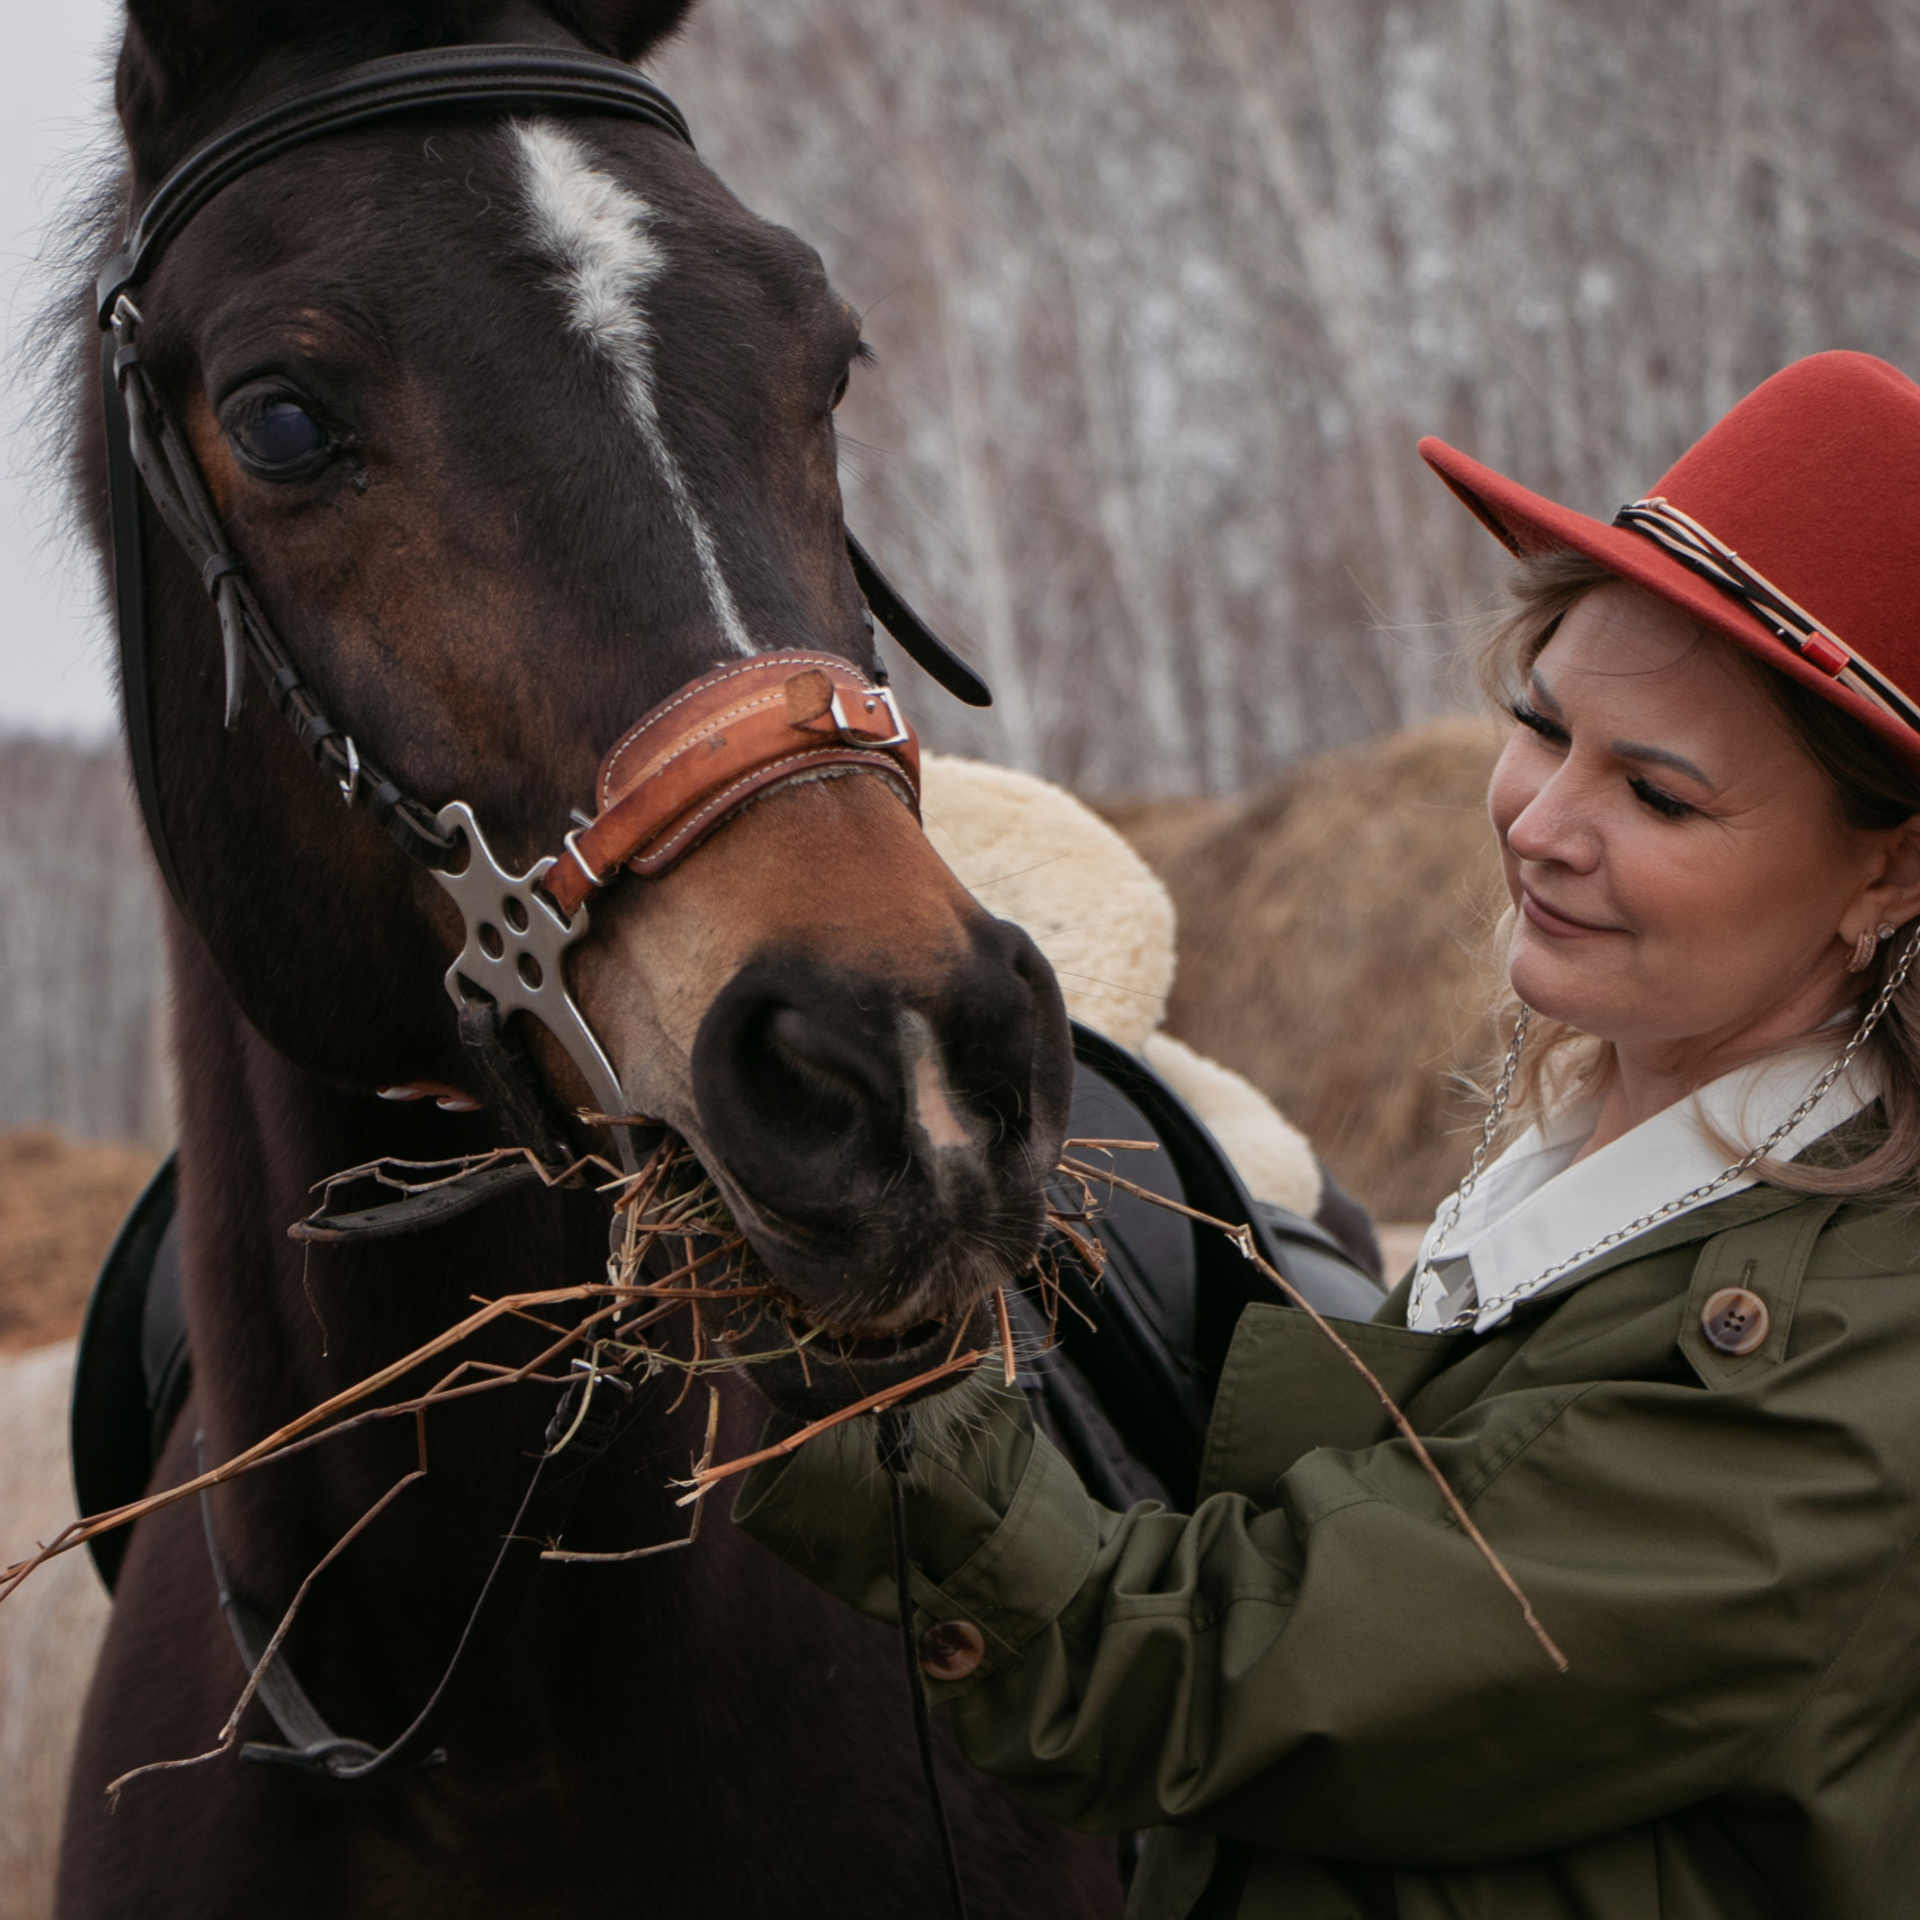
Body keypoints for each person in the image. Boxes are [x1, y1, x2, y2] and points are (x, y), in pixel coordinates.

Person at [733, 351, 1920, 1919]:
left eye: (1660, 796)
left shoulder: (1832, 1375)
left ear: (1888, 877)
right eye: (1541, 724)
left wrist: (867, 1347)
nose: (1542, 823)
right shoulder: (1601, 1174)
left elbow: (1184, 1671)